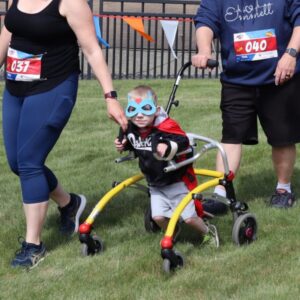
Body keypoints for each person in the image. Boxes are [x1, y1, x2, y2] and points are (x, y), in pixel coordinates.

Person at [0, 0, 127, 268]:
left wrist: (110, 96)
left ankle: (34, 246)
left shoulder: (71, 2)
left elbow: (92, 50)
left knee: (30, 161)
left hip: (53, 87)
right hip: (15, 89)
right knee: (16, 163)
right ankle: (70, 204)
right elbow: (7, 34)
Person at [192, 0, 300, 208]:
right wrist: (205, 49)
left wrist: (291, 54)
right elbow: (205, 21)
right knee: (231, 137)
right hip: (237, 80)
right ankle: (221, 191)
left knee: (282, 137)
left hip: (279, 76)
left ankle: (283, 189)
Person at [115, 85, 219, 247]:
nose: (139, 115)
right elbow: (130, 139)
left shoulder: (165, 127)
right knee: (158, 218)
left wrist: (168, 147)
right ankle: (174, 231)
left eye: (146, 109)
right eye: (133, 110)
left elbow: (184, 141)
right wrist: (123, 145)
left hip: (176, 180)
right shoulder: (132, 128)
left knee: (190, 218)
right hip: (155, 183)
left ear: (156, 111)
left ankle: (208, 234)